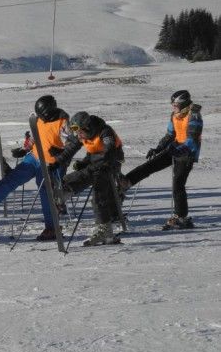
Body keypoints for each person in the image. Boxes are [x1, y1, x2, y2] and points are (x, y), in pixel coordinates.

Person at [0, 95, 79, 241]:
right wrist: (24, 149)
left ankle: (52, 228)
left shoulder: (63, 122)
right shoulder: (38, 119)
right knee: (14, 177)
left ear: (50, 111)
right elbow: (34, 136)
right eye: (39, 115)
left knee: (46, 191)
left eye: (43, 115)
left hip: (52, 163)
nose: (41, 118)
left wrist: (61, 152)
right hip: (34, 157)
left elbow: (72, 142)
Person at [120, 90, 203, 230]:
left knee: (178, 184)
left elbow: (192, 139)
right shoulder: (175, 115)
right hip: (175, 147)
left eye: (175, 105)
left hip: (188, 153)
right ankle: (125, 183)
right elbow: (170, 135)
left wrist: (180, 150)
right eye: (173, 105)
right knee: (150, 165)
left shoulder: (194, 116)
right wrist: (158, 148)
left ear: (183, 104)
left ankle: (181, 217)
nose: (173, 107)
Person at [61, 112, 124, 246]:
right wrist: (83, 162)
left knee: (97, 192)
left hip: (111, 163)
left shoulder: (105, 132)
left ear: (87, 127)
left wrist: (94, 163)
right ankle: (64, 188)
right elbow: (91, 153)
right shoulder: (86, 134)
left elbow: (109, 151)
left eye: (79, 132)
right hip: (98, 163)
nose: (78, 136)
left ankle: (105, 230)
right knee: (85, 172)